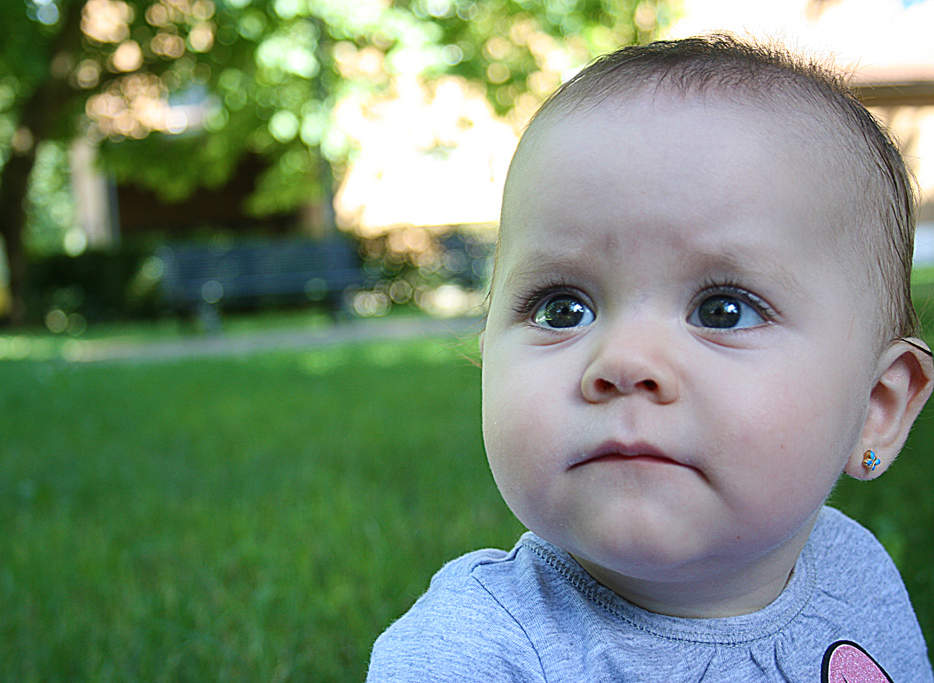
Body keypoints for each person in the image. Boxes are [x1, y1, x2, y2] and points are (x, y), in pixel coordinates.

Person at [367, 34, 934, 682]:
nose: (625, 360)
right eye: (563, 308)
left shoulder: (856, 576)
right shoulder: (475, 653)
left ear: (877, 407)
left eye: (723, 309)